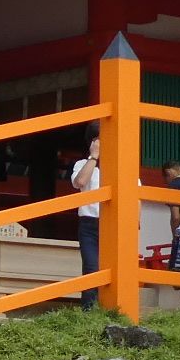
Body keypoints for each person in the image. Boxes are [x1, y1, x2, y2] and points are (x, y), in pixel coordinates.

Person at [72, 130, 103, 307]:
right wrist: (94, 157)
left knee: (115, 271)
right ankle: (89, 312)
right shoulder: (82, 164)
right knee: (91, 268)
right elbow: (80, 182)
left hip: (113, 224)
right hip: (89, 224)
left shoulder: (120, 163)